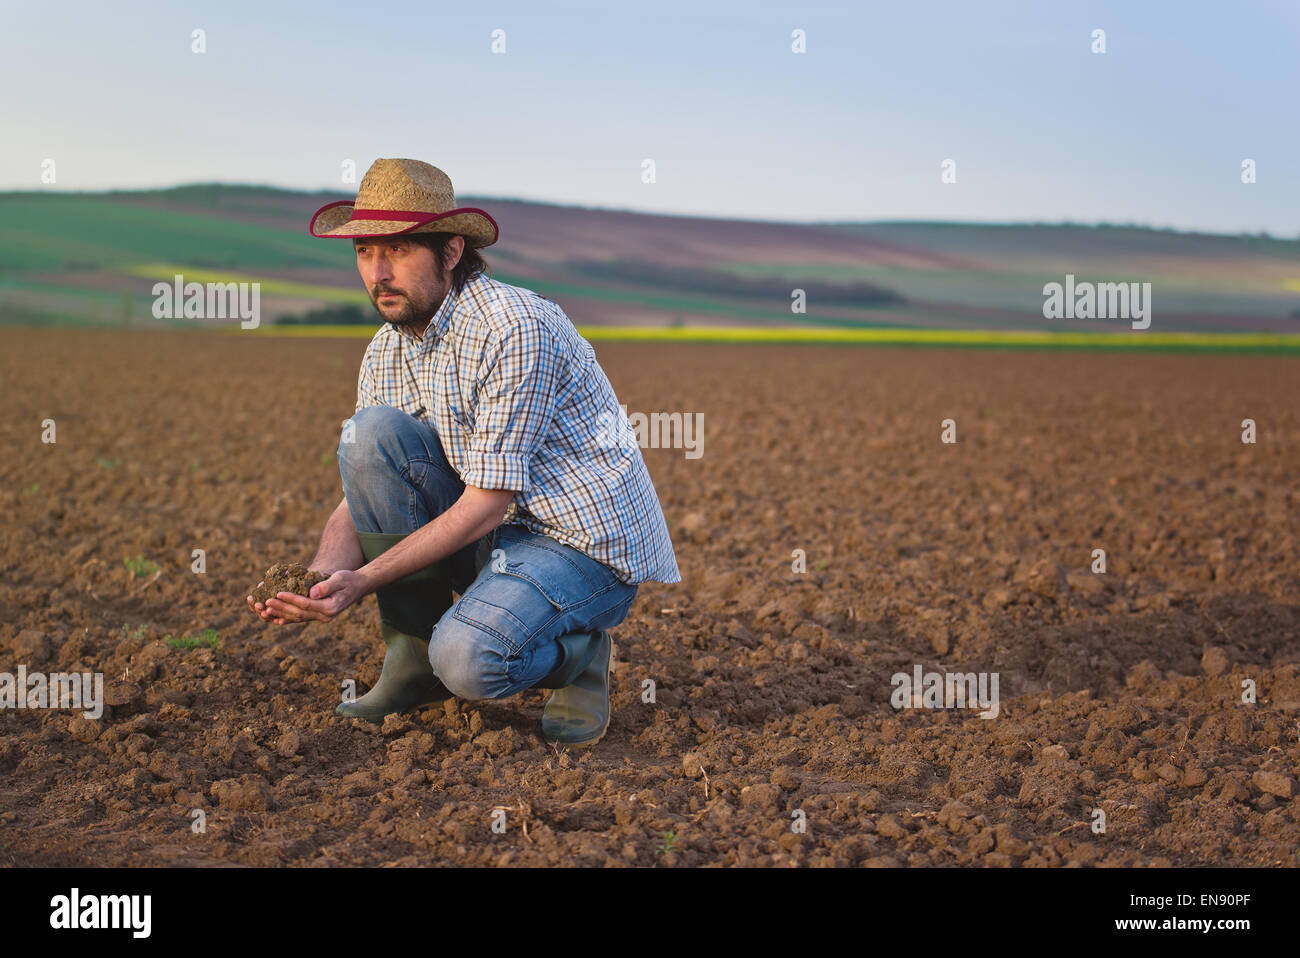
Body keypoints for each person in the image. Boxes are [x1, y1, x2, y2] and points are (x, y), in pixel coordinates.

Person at [245, 158, 680, 747]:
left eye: (397, 250)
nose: (377, 272)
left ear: (451, 252)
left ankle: (579, 656)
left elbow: (485, 503)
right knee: (371, 433)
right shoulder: (385, 349)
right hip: (496, 532)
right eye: (364, 253)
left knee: (470, 661)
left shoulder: (515, 328)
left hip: (577, 544)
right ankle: (412, 665)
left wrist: (363, 580)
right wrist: (323, 573)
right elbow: (369, 483)